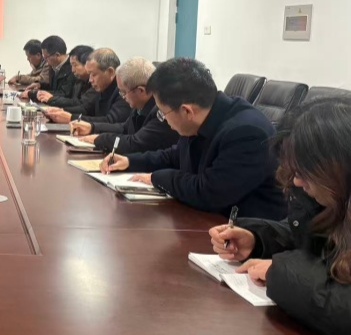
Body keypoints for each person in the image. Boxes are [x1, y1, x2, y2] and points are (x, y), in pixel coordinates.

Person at [209, 98, 351, 335]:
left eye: (304, 172)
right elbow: (309, 233)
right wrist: (258, 240)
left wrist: (278, 272)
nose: (296, 182)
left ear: (336, 167)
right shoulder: (331, 197)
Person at [101, 57, 285, 220]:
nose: (164, 120)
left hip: (247, 233)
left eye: (163, 113)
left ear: (187, 111)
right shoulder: (202, 118)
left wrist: (157, 177)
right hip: (210, 221)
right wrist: (130, 161)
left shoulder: (246, 133)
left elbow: (208, 193)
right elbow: (175, 155)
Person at [73, 57, 179, 154]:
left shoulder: (163, 110)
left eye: (123, 92)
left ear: (141, 91)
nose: (122, 97)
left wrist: (101, 139)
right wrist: (93, 127)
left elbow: (135, 144)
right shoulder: (140, 105)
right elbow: (124, 128)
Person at [47, 48, 131, 125]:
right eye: (89, 74)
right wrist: (61, 111)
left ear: (110, 72)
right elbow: (86, 109)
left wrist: (71, 118)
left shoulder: (124, 91)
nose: (90, 80)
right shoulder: (102, 87)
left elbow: (110, 121)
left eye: (93, 74)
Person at [35, 45, 99, 116]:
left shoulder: (97, 83)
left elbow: (81, 105)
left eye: (75, 65)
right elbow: (73, 101)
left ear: (88, 64)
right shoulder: (79, 80)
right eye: (71, 65)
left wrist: (52, 100)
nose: (72, 70)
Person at [22, 36, 72, 103]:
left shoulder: (72, 68)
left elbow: (63, 94)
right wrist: (40, 85)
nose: (45, 61)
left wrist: (33, 94)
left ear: (57, 55)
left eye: (46, 58)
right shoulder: (54, 66)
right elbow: (53, 88)